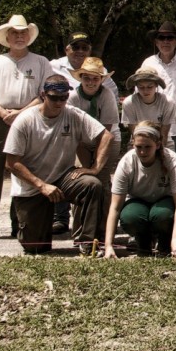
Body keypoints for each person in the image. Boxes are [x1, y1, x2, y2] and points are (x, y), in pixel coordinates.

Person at [0, 14, 52, 243]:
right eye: (15, 32)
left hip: (30, 117)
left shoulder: (41, 61)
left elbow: (44, 94)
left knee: (26, 169)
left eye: (23, 32)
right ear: (7, 36)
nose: (19, 36)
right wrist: (3, 113)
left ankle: (21, 222)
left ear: (29, 36)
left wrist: (21, 113)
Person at [2, 76, 111, 255]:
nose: (59, 102)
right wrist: (41, 185)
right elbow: (11, 163)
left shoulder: (73, 114)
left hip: (63, 177)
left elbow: (106, 135)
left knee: (92, 184)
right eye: (54, 97)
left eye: (64, 97)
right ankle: (27, 225)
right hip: (32, 185)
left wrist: (95, 168)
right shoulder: (25, 121)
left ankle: (87, 241)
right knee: (36, 247)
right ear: (44, 95)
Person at [103, 122, 176, 258]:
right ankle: (143, 241)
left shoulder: (172, 160)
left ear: (158, 145)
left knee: (162, 216)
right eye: (139, 147)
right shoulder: (126, 162)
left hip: (164, 203)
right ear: (133, 145)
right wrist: (108, 245)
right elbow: (114, 207)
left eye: (148, 147)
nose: (142, 152)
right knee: (130, 217)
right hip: (138, 202)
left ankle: (165, 241)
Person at [61, 57, 120, 236]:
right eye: (87, 78)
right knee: (82, 181)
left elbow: (106, 132)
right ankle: (81, 228)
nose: (91, 82)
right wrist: (87, 164)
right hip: (80, 142)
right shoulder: (73, 97)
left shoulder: (107, 95)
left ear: (101, 79)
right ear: (81, 78)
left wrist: (96, 164)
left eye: (96, 78)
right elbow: (74, 131)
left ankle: (104, 229)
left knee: (102, 181)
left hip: (107, 139)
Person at [141, 21, 176, 153]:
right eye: (161, 38)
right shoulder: (148, 63)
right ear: (156, 42)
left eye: (170, 38)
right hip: (154, 126)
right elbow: (140, 93)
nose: (166, 41)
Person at [50, 31, 119, 99]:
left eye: (85, 48)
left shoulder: (100, 70)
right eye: (76, 47)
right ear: (66, 50)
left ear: (89, 51)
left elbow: (113, 94)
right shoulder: (53, 66)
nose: (80, 51)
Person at [121, 67, 176, 149]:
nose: (145, 91)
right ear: (136, 87)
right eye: (141, 87)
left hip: (164, 142)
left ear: (156, 85)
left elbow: (164, 132)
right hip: (138, 142)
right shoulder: (129, 103)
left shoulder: (167, 102)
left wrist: (159, 150)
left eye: (150, 87)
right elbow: (134, 132)